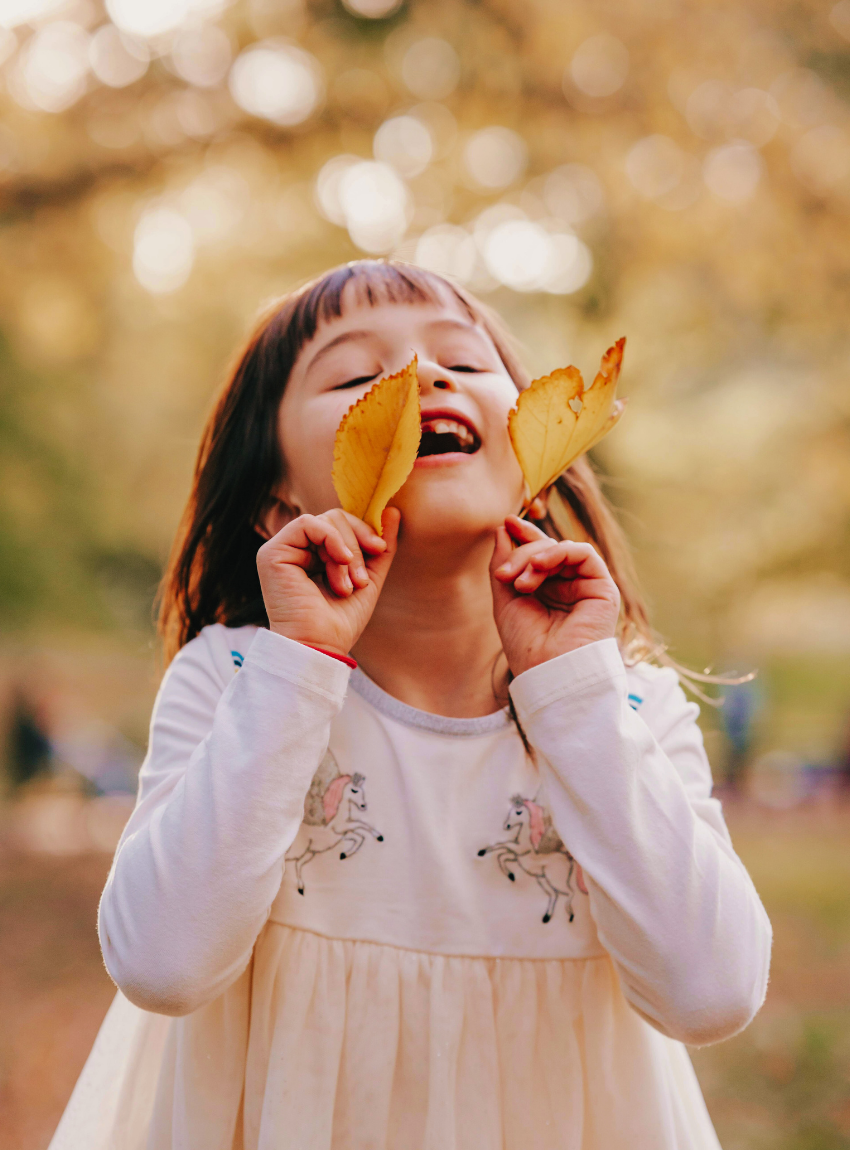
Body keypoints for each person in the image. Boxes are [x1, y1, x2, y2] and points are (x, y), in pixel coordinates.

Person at [50, 261, 772, 1150]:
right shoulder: (239, 679)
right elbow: (162, 963)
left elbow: (711, 991)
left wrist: (573, 697)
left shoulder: (623, 703)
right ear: (279, 499)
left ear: (538, 456)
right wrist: (301, 664)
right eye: (356, 378)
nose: (422, 376)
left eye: (465, 363)